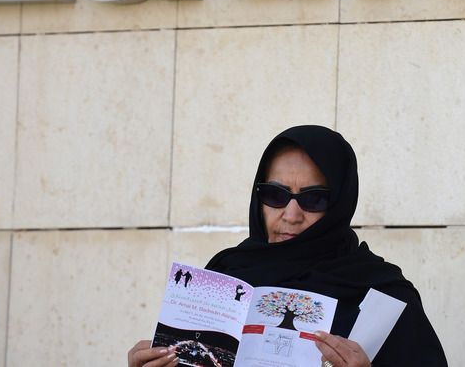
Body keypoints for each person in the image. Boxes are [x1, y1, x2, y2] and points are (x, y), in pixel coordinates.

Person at [128, 125, 447, 367]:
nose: (291, 215)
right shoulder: (226, 278)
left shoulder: (382, 295)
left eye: (313, 199)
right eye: (276, 195)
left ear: (339, 203)